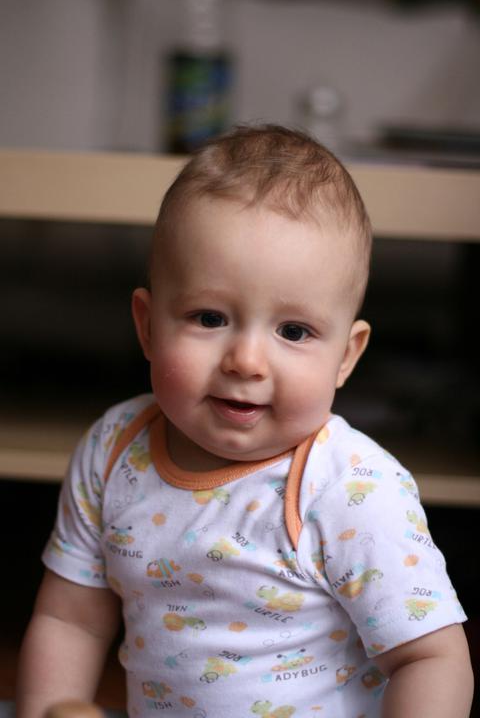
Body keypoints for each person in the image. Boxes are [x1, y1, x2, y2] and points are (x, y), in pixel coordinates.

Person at [17, 125, 473, 718]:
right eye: (210, 318)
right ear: (147, 326)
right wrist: (54, 704)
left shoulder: (350, 489)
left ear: (346, 356)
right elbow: (70, 619)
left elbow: (431, 658)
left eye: (293, 331)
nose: (247, 361)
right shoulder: (113, 450)